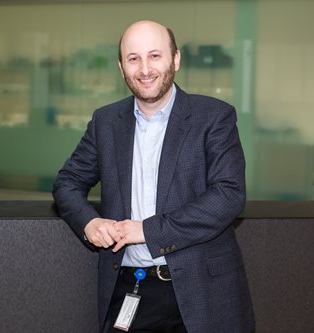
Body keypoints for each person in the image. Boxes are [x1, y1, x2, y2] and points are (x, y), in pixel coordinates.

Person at [53, 20, 255, 333]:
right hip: (130, 289)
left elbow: (229, 195)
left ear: (175, 59)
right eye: (133, 59)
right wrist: (89, 223)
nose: (145, 69)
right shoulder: (106, 121)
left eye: (155, 56)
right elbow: (67, 183)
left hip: (202, 291)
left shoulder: (214, 116)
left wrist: (147, 231)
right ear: (122, 68)